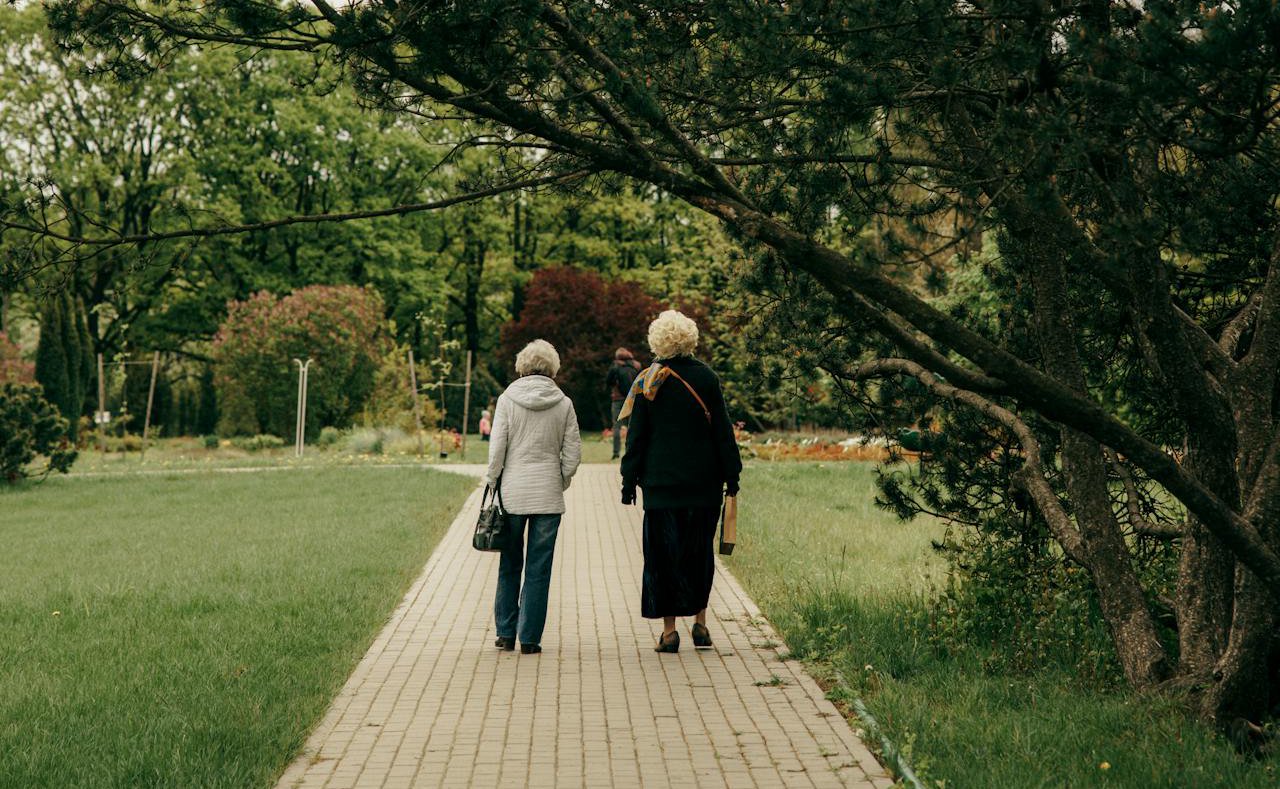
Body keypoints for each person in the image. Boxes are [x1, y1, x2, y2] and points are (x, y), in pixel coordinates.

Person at [619, 310, 742, 653]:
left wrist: (629, 481)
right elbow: (722, 433)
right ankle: (701, 625)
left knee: (663, 558)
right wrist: (732, 476)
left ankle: (670, 632)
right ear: (691, 338)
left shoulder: (649, 380)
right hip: (703, 486)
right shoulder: (706, 378)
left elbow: (637, 438)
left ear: (656, 339)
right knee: (698, 553)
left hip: (661, 487)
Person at [485, 340, 582, 655]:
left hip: (512, 493)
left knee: (510, 563)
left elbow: (497, 447)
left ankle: (505, 632)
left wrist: (493, 479)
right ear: (553, 367)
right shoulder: (563, 403)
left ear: (522, 366)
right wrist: (562, 479)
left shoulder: (507, 400)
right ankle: (530, 638)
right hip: (548, 495)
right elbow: (573, 453)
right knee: (540, 568)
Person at [605, 347, 642, 459]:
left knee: (616, 426)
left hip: (618, 400)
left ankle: (616, 453)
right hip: (633, 400)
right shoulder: (637, 365)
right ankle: (631, 452)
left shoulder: (615, 366)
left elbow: (608, 381)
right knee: (633, 427)